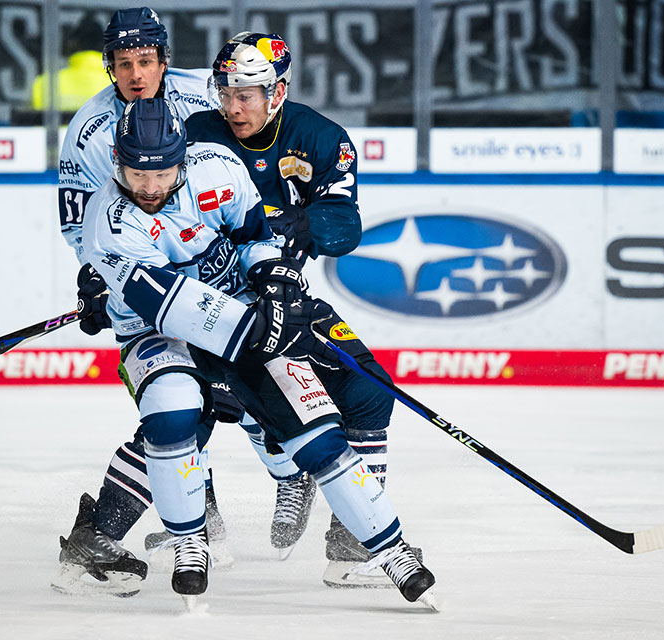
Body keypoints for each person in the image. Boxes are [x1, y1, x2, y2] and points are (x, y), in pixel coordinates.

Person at [79, 96, 436, 609]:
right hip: (160, 331)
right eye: (137, 173)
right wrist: (270, 334)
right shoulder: (108, 223)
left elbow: (255, 239)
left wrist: (275, 279)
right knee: (174, 410)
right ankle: (188, 543)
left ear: (183, 155)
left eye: (163, 172)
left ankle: (388, 549)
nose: (151, 188)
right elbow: (175, 311)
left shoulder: (219, 168)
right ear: (118, 159)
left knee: (317, 433)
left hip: (243, 312)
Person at [185, 32, 418, 588]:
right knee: (211, 409)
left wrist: (304, 223)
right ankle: (198, 528)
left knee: (369, 389)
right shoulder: (196, 135)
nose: (234, 106)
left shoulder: (321, 138)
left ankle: (351, 544)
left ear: (279, 90)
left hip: (283, 303)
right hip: (203, 307)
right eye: (226, 91)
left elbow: (345, 225)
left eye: (249, 93)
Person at [51, 7, 226, 598]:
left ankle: (197, 498)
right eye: (122, 63)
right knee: (182, 409)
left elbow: (253, 137)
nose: (134, 74)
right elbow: (82, 227)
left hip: (221, 285)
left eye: (144, 61)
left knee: (217, 404)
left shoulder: (205, 93)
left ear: (163, 59)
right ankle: (110, 528)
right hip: (150, 294)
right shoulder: (89, 132)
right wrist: (101, 274)